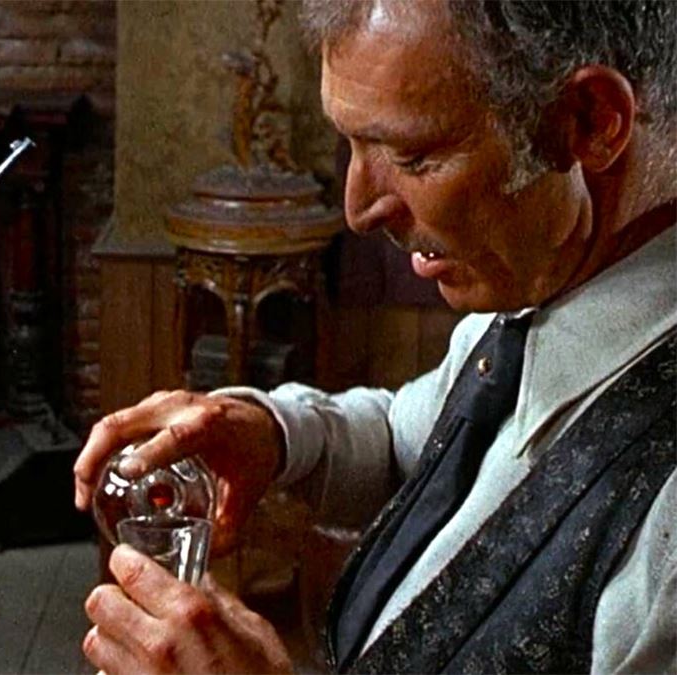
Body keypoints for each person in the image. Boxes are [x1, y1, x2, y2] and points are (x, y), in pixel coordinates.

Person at [74, 1, 676, 673]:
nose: (358, 209)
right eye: (352, 143)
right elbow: (407, 440)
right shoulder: (534, 285)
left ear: (590, 121)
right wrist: (272, 434)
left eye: (412, 156)